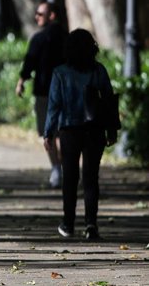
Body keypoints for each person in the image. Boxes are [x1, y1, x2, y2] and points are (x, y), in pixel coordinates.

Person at [44, 29, 119, 240]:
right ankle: (91, 225)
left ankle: (68, 224)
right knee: (90, 178)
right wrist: (111, 130)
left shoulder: (60, 73)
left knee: (70, 177)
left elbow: (54, 106)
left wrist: (48, 133)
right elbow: (108, 102)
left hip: (69, 130)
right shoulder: (98, 71)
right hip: (94, 130)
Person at [16, 1, 67, 188]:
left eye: (39, 13)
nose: (36, 17)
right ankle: (63, 169)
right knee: (64, 132)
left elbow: (29, 62)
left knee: (49, 133)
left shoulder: (39, 38)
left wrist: (21, 81)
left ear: (52, 15)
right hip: (66, 92)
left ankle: (56, 169)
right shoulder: (70, 38)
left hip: (45, 92)